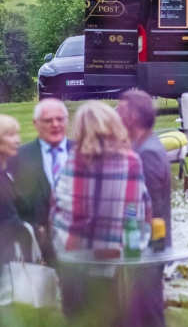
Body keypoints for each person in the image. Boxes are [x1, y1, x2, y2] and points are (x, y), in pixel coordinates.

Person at [51, 101, 152, 326]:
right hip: (115, 258)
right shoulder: (132, 161)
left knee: (77, 317)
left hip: (75, 256)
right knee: (114, 317)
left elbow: (58, 203)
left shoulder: (74, 161)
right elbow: (141, 206)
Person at [117, 89, 171, 327]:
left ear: (130, 117)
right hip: (145, 246)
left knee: (148, 316)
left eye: (119, 109)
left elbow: (147, 208)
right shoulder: (144, 145)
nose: (115, 114)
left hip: (147, 248)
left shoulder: (147, 153)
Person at [9, 98, 72, 267]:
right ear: (35, 124)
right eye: (48, 120)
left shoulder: (83, 152)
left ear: (67, 121)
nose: (55, 124)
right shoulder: (18, 157)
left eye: (60, 119)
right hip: (37, 250)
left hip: (77, 245)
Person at [0, 115, 31, 265]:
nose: (18, 140)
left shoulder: (6, 171)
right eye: (11, 135)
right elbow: (8, 219)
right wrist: (36, 230)